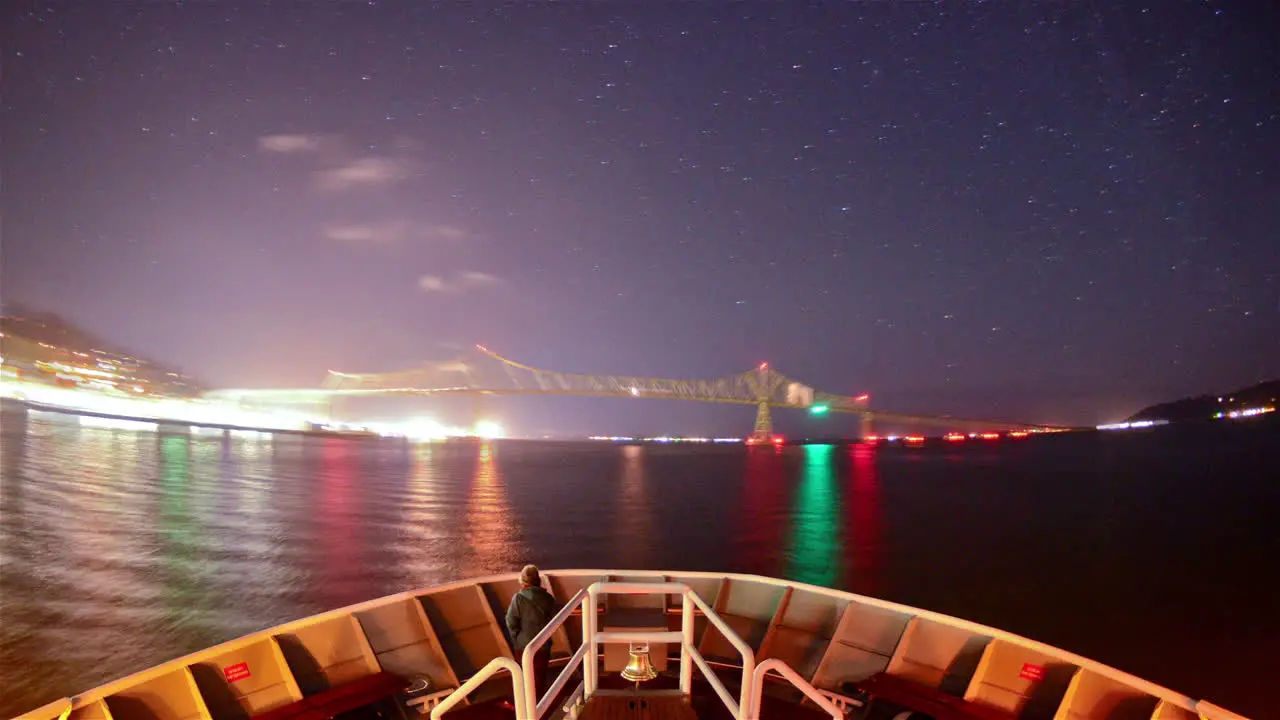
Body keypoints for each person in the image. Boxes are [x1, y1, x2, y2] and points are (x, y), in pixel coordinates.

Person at [505, 564, 561, 702]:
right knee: (539, 675)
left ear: (523, 580)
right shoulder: (547, 598)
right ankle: (538, 703)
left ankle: (521, 703)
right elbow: (555, 619)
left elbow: (511, 622)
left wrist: (516, 639)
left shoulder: (518, 598)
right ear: (538, 580)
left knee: (523, 674)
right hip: (543, 644)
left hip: (523, 644)